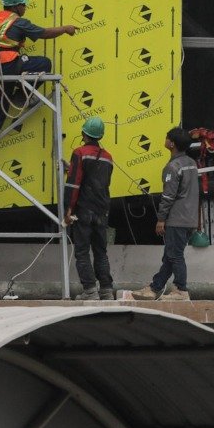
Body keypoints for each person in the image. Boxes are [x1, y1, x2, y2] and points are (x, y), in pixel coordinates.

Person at [0, 0, 79, 143]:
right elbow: (44, 33)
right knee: (44, 63)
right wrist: (65, 28)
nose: (25, 8)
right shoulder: (18, 22)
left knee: (3, 95)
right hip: (9, 65)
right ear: (16, 6)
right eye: (23, 5)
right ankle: (22, 96)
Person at [137, 128, 198, 300]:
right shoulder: (192, 163)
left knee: (175, 255)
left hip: (177, 219)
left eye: (166, 137)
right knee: (170, 255)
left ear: (171, 144)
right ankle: (155, 287)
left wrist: (161, 219)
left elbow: (168, 196)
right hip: (189, 218)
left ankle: (181, 289)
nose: (165, 139)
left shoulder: (173, 167)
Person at [62, 115, 116, 300]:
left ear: (84, 133)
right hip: (102, 210)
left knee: (82, 251)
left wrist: (68, 209)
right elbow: (101, 181)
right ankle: (107, 290)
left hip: (83, 210)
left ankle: (90, 291)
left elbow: (74, 184)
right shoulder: (108, 157)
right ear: (100, 136)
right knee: (101, 251)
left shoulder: (79, 153)